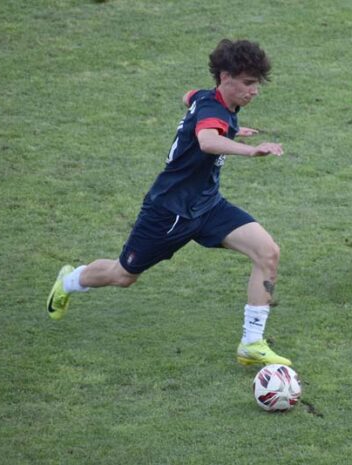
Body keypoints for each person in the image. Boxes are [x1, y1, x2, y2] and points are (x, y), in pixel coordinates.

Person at [47, 39, 292, 366]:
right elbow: (206, 141)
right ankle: (69, 281)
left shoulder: (208, 100)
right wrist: (251, 150)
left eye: (256, 83)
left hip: (207, 205)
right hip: (168, 212)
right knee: (123, 276)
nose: (255, 91)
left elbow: (188, 97)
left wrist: (230, 128)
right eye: (248, 83)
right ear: (225, 77)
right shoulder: (213, 111)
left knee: (267, 252)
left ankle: (251, 343)